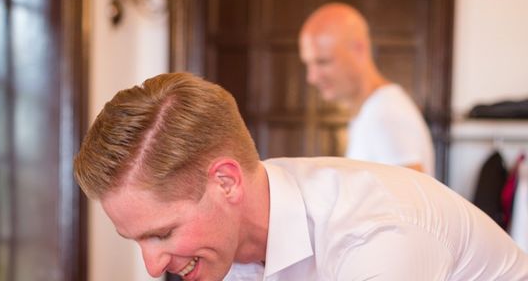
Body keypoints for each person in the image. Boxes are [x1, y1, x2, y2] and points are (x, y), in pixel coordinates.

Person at [74, 72, 528, 281]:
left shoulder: (377, 236)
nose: (153, 269)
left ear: (226, 182)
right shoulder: (226, 248)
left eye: (162, 233)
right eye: (136, 240)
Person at [299, 2, 435, 175]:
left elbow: (412, 199)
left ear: (359, 49)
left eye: (323, 62)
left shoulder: (385, 113)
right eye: (308, 64)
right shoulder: (372, 110)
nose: (311, 77)